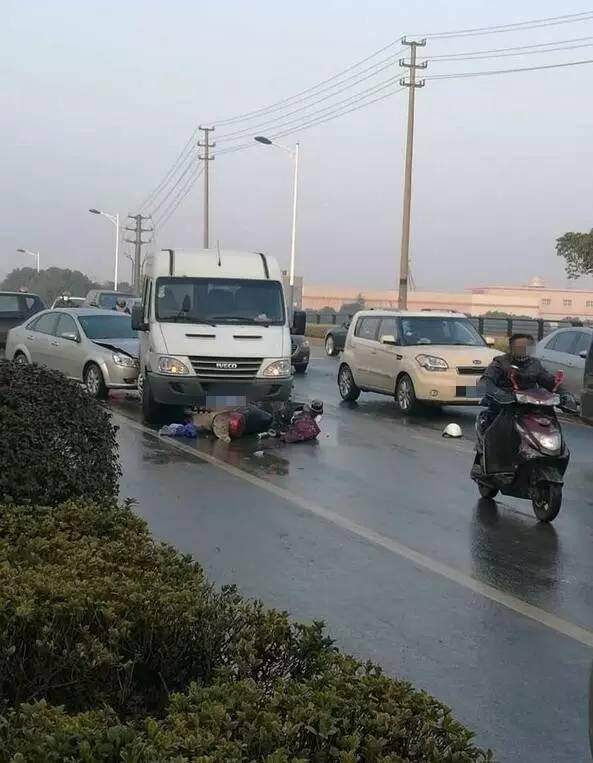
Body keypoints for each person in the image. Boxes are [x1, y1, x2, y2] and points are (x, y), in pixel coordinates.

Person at [480, 333, 574, 427]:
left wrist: (565, 394)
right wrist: (500, 394)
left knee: (550, 421)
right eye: (519, 347)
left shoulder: (535, 364)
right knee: (496, 425)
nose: (523, 350)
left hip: (531, 405)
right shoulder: (500, 363)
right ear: (511, 347)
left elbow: (548, 380)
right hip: (506, 405)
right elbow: (486, 381)